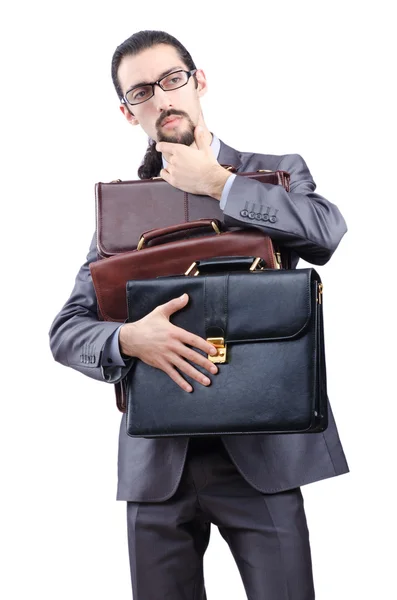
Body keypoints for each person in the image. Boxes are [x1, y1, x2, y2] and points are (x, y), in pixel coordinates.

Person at [49, 29, 349, 600]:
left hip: (263, 458)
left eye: (172, 80)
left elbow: (326, 232)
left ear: (198, 81)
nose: (161, 99)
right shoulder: (121, 211)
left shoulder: (275, 174)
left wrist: (220, 183)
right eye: (141, 92)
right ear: (126, 112)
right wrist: (130, 340)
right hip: (157, 468)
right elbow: (67, 331)